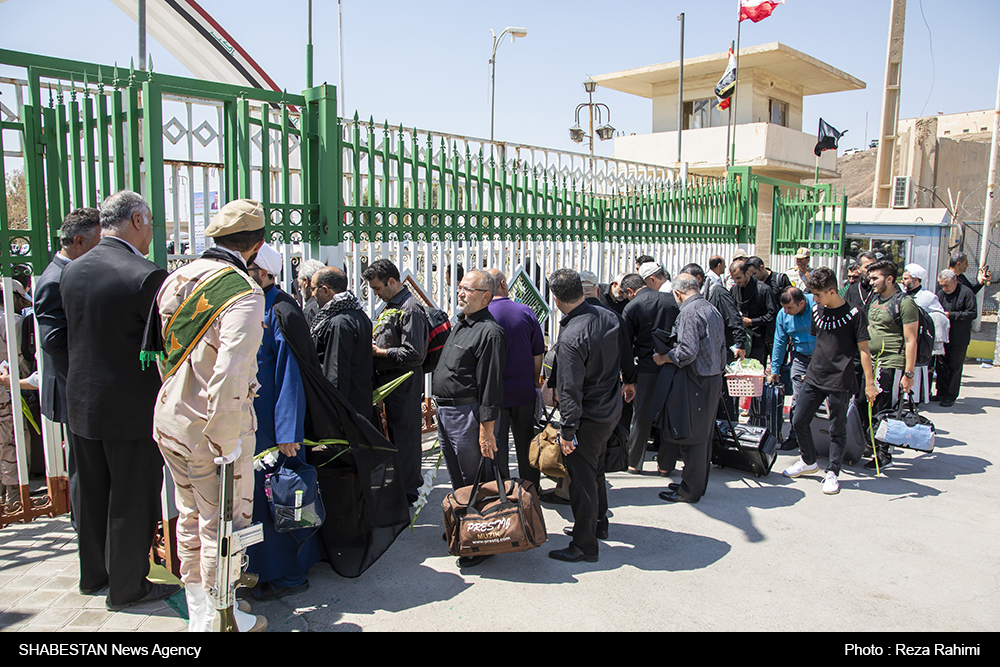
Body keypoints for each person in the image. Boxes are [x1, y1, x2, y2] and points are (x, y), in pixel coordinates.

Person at [149, 198, 266, 632]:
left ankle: (198, 608)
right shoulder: (242, 291)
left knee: (189, 515)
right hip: (213, 431)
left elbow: (165, 354)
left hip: (171, 418)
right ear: (256, 244)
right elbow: (231, 373)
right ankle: (224, 614)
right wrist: (227, 440)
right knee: (224, 525)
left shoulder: (176, 277)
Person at [60, 191, 175, 612]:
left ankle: (95, 575)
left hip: (82, 402)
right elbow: (163, 347)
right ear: (138, 219)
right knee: (131, 496)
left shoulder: (73, 269)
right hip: (129, 408)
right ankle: (128, 587)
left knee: (91, 492)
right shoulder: (145, 275)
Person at [243, 244, 322, 600]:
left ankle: (290, 575)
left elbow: (291, 375)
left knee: (284, 499)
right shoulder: (257, 304)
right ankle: (265, 571)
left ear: (262, 272)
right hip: (255, 426)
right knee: (263, 504)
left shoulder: (279, 308)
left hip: (276, 430)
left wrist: (288, 431)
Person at [29, 208, 101, 523]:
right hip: (71, 387)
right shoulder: (54, 279)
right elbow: (52, 340)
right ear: (79, 241)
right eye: (100, 241)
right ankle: (81, 523)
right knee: (82, 469)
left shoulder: (73, 273)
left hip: (82, 388)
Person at [546, 269, 623, 563]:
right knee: (595, 471)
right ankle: (597, 525)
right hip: (609, 409)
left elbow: (569, 390)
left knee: (581, 480)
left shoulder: (571, 336)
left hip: (588, 417)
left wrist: (567, 432)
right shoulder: (608, 317)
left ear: (555, 299)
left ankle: (584, 544)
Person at [431, 269, 506, 569]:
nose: (461, 293)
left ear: (486, 296)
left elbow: (490, 385)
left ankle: (483, 541)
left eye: (468, 290)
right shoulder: (460, 324)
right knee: (458, 479)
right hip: (446, 412)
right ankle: (464, 526)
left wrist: (487, 431)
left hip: (468, 414)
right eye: (460, 288)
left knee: (478, 480)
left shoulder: (489, 332)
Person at [781, 267, 878, 495]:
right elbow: (821, 343)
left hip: (841, 378)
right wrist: (810, 368)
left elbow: (864, 350)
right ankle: (809, 461)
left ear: (832, 291)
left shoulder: (855, 314)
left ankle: (833, 472)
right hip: (815, 375)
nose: (814, 298)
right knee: (798, 419)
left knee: (837, 427)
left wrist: (870, 383)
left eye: (818, 293)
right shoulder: (816, 311)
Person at [653, 274, 727, 504]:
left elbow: (686, 352)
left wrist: (663, 358)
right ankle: (696, 484)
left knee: (692, 436)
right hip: (713, 376)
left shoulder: (689, 311)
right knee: (702, 435)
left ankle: (689, 490)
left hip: (696, 379)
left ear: (678, 293)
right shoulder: (710, 308)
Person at [362, 258, 429, 505]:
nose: (376, 294)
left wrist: (379, 353)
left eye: (378, 288)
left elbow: (414, 353)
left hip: (404, 382)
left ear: (392, 281)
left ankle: (410, 491)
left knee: (406, 436)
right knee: (395, 436)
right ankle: (401, 486)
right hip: (389, 381)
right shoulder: (391, 305)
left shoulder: (410, 308)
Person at [486, 268, 545, 485]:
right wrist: (534, 381)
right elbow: (538, 352)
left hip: (494, 394)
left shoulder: (481, 314)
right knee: (526, 442)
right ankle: (531, 488)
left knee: (498, 443)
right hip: (523, 390)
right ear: (503, 283)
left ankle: (502, 489)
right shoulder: (525, 311)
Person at [621, 272, 680, 474]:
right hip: (672, 364)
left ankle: (634, 463)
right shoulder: (671, 301)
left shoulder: (632, 307)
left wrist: (627, 378)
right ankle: (665, 466)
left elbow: (625, 346)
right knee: (670, 415)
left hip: (646, 367)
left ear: (630, 291)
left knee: (641, 417)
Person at [864, 259, 918, 471]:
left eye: (875, 278)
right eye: (870, 278)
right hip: (872, 361)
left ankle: (884, 455)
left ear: (889, 278)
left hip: (890, 364)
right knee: (865, 405)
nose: (872, 282)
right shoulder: (874, 298)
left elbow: (911, 340)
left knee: (883, 409)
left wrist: (909, 373)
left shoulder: (904, 303)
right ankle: (872, 446)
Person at [310, 267, 373, 419]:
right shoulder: (358, 314)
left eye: (313, 289)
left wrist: (334, 414)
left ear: (325, 290)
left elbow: (336, 373)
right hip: (359, 404)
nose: (312, 294)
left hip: (345, 410)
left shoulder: (339, 323)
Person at [770, 287, 816, 450]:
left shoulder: (817, 306)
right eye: (784, 308)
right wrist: (775, 369)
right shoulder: (783, 315)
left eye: (790, 308)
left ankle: (825, 437)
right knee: (798, 397)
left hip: (821, 358)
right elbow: (780, 341)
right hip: (800, 357)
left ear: (802, 302)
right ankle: (795, 436)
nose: (786, 311)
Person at [901, 263, 947, 404]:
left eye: (906, 278)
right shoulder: (900, 294)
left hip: (918, 341)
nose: (903, 281)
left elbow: (940, 316)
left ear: (916, 280)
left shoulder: (928, 297)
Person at [0, 281, 28, 511]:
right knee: (12, 438)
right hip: (7, 389)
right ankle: (14, 497)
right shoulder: (11, 321)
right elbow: (20, 357)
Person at [935, 268, 977, 407]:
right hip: (944, 336)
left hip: (959, 337)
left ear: (955, 281)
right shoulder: (941, 294)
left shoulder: (967, 293)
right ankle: (940, 392)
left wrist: (951, 315)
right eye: (942, 285)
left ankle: (951, 395)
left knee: (955, 366)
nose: (944, 288)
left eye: (946, 285)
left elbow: (971, 313)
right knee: (941, 365)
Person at [729, 259, 776, 367]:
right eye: (734, 279)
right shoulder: (735, 290)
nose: (737, 282)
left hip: (759, 340)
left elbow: (772, 315)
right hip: (740, 340)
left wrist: (752, 322)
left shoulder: (763, 290)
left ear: (747, 273)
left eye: (739, 278)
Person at [297, 258, 326, 326]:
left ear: (305, 282)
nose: (298, 289)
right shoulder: (334, 303)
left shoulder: (310, 311)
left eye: (299, 285)